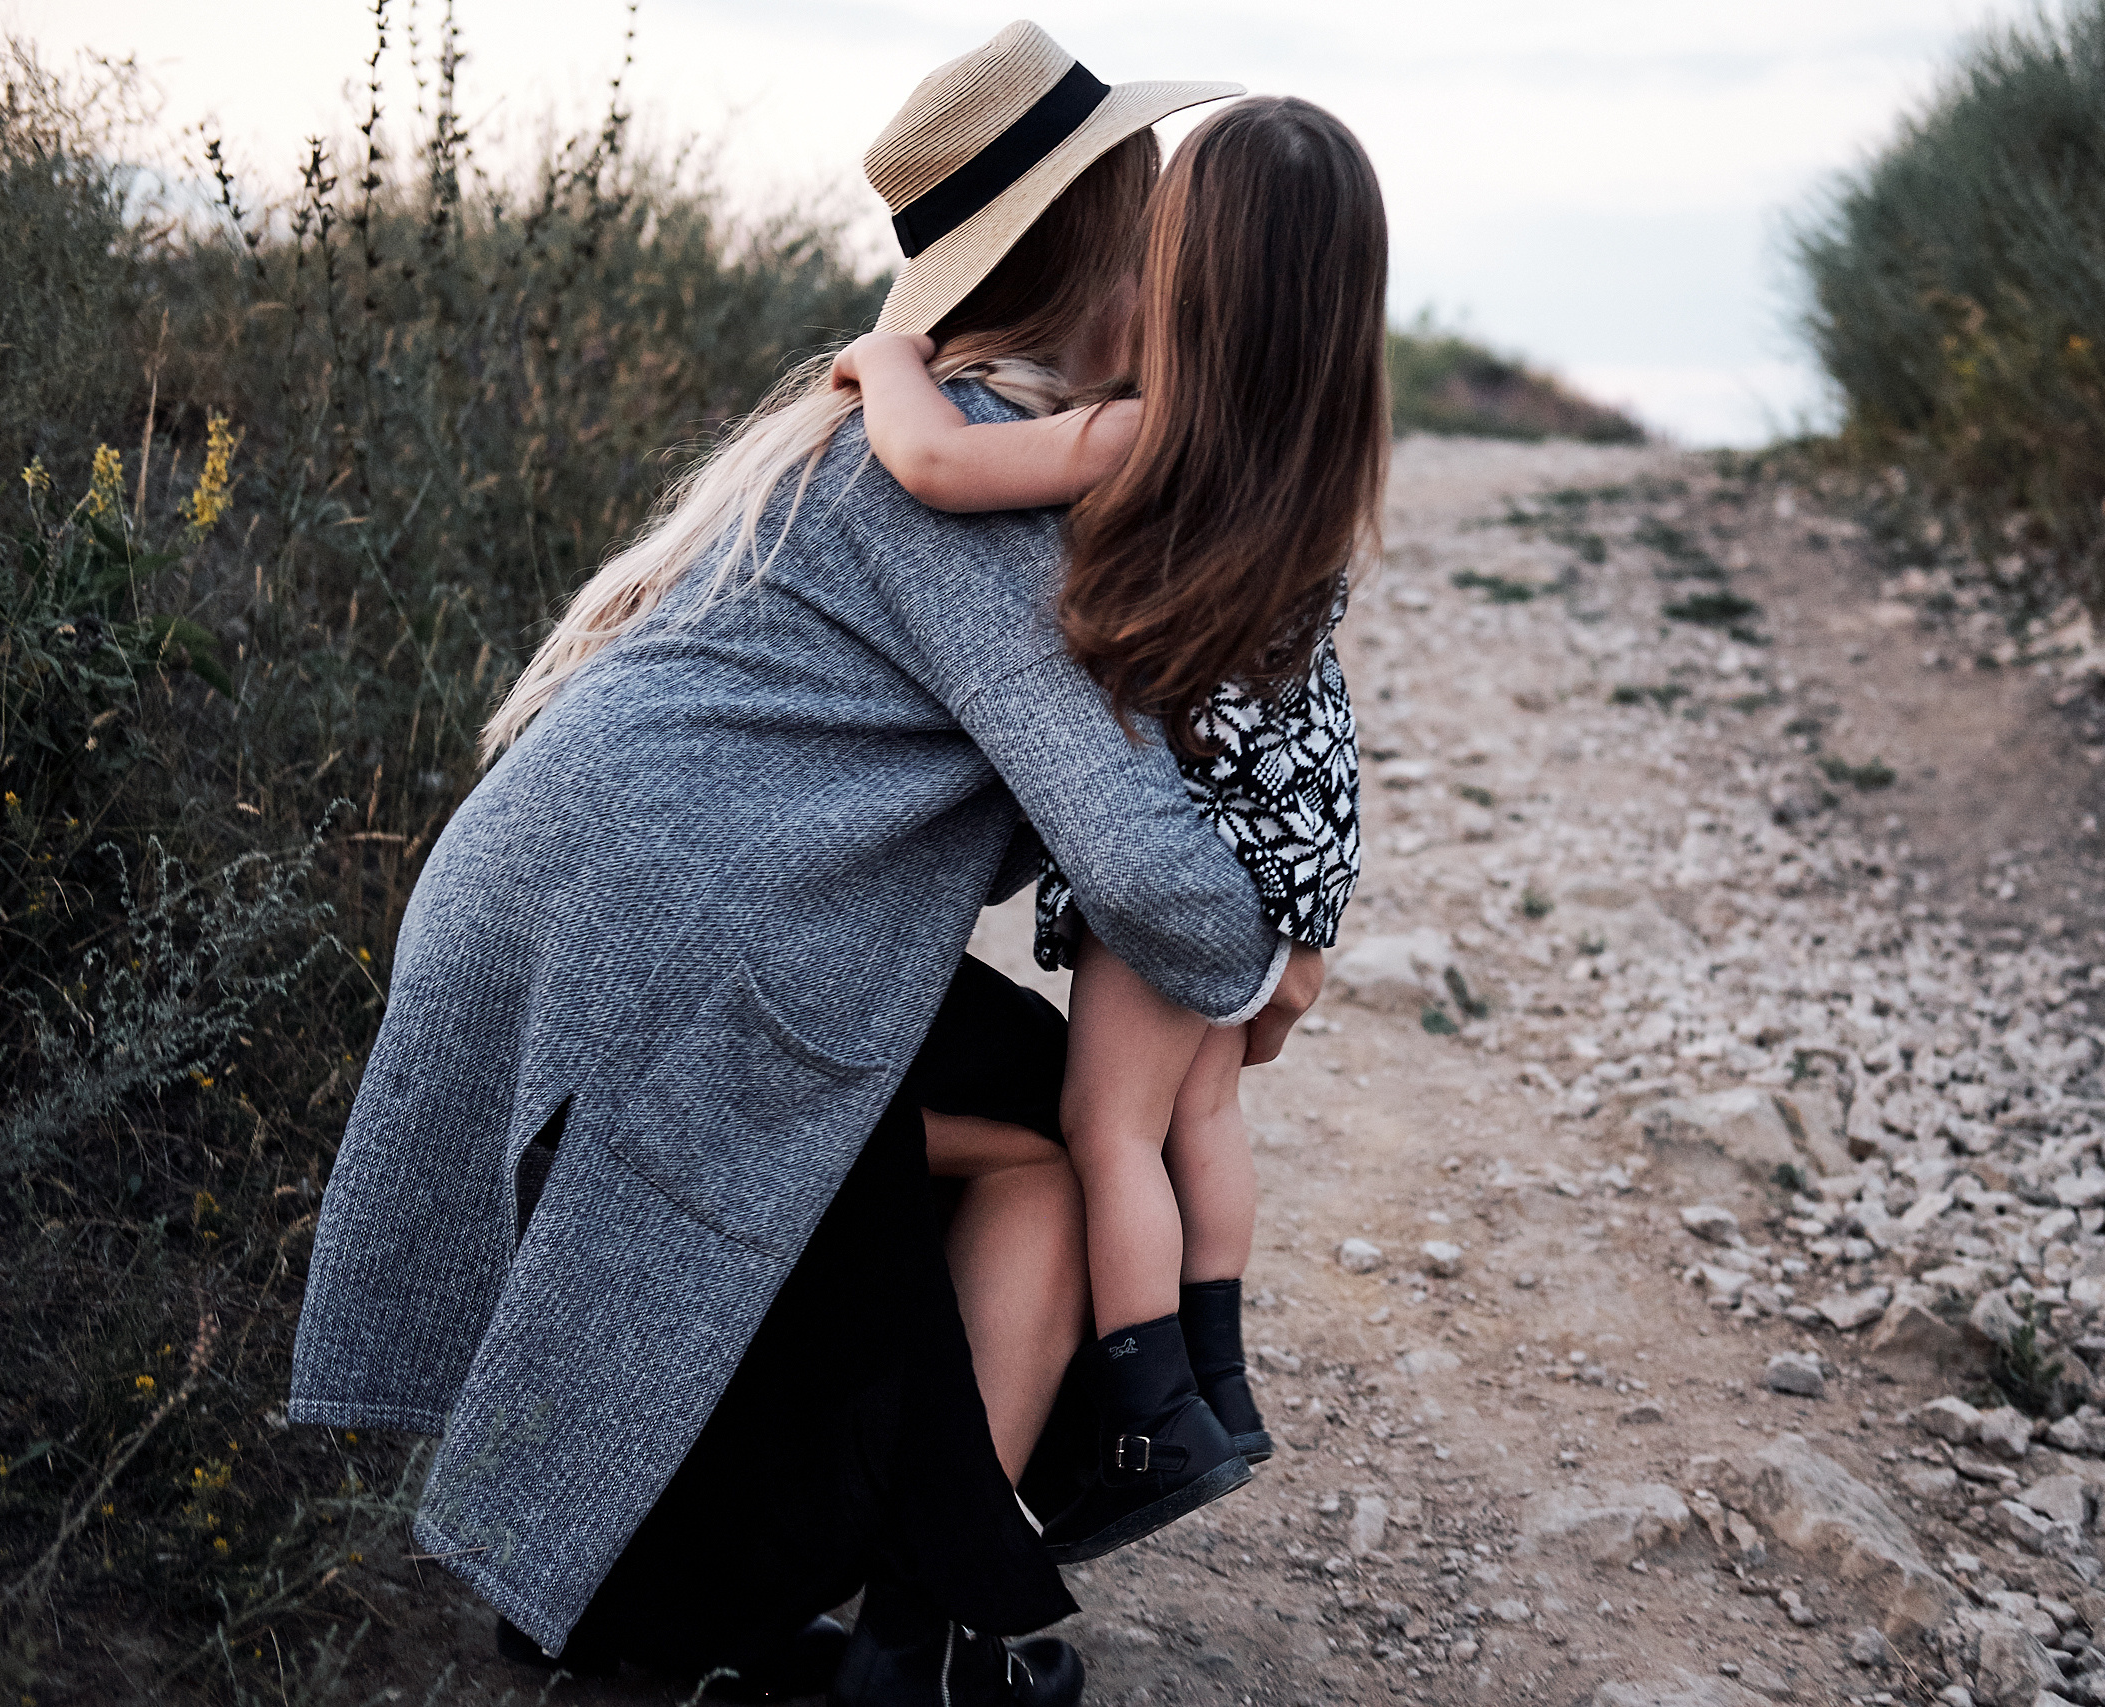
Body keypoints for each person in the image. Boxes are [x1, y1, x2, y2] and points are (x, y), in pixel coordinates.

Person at [287, 24, 1317, 1706]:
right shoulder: (973, 485)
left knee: (937, 1169)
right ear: (1107, 255)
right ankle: (920, 1642)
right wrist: (1269, 954)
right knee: (1050, 1156)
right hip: (665, 958)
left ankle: (886, 1622)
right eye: (1156, 228)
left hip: (582, 916)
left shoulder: (909, 431)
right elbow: (1135, 855)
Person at [836, 94, 1383, 1564]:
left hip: (1196, 829)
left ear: (1185, 275)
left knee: (1105, 1128)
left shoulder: (1146, 434)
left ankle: (1147, 1414)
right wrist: (1299, 934)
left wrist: (887, 363)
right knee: (1203, 1114)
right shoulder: (1321, 454)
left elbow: (941, 467)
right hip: (1292, 824)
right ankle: (1218, 1376)